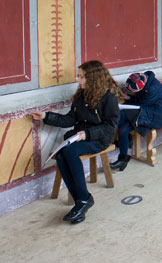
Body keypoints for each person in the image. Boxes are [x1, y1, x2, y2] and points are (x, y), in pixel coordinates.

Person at [31, 60, 120, 224]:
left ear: (93, 78)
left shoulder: (109, 98)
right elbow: (69, 120)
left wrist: (87, 134)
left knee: (70, 151)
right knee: (60, 154)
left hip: (99, 139)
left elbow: (110, 127)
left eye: (81, 77)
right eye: (78, 76)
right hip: (79, 136)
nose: (78, 80)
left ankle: (83, 200)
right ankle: (83, 199)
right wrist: (46, 117)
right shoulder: (81, 96)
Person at [111, 71, 162, 171]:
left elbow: (140, 104)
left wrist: (129, 98)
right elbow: (139, 100)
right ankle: (123, 159)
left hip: (155, 115)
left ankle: (113, 140)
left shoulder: (153, 89)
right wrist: (129, 97)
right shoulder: (143, 79)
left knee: (121, 114)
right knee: (123, 129)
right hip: (145, 110)